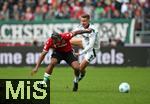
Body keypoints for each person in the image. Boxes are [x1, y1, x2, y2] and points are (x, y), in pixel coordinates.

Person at [70, 14, 100, 91]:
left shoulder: (93, 29)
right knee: (68, 41)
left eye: (84, 21)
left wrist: (80, 53)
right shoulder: (80, 27)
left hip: (92, 50)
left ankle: (76, 81)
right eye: (82, 21)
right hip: (84, 43)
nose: (83, 23)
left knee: (80, 68)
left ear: (89, 20)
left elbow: (90, 45)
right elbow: (71, 33)